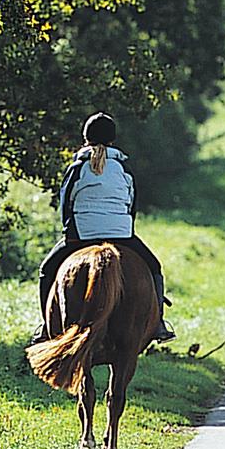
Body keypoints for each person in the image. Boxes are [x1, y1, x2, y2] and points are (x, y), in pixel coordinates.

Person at [28, 112, 176, 346]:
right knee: (154, 268)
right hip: (121, 234)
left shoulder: (77, 167)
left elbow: (65, 204)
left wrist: (70, 233)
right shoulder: (123, 168)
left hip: (81, 235)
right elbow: (131, 204)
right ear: (112, 138)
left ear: (85, 137)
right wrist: (123, 229)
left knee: (47, 270)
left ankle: (46, 327)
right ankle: (158, 324)